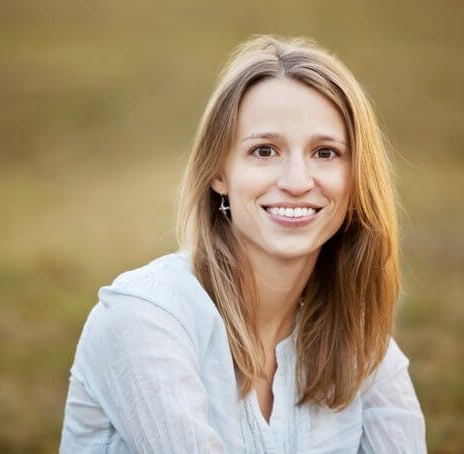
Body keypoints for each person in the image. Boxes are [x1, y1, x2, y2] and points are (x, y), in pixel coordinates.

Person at [60, 35, 426, 453]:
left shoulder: (360, 341)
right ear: (219, 173)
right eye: (264, 150)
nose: (296, 182)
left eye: (325, 153)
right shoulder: (145, 318)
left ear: (357, 178)